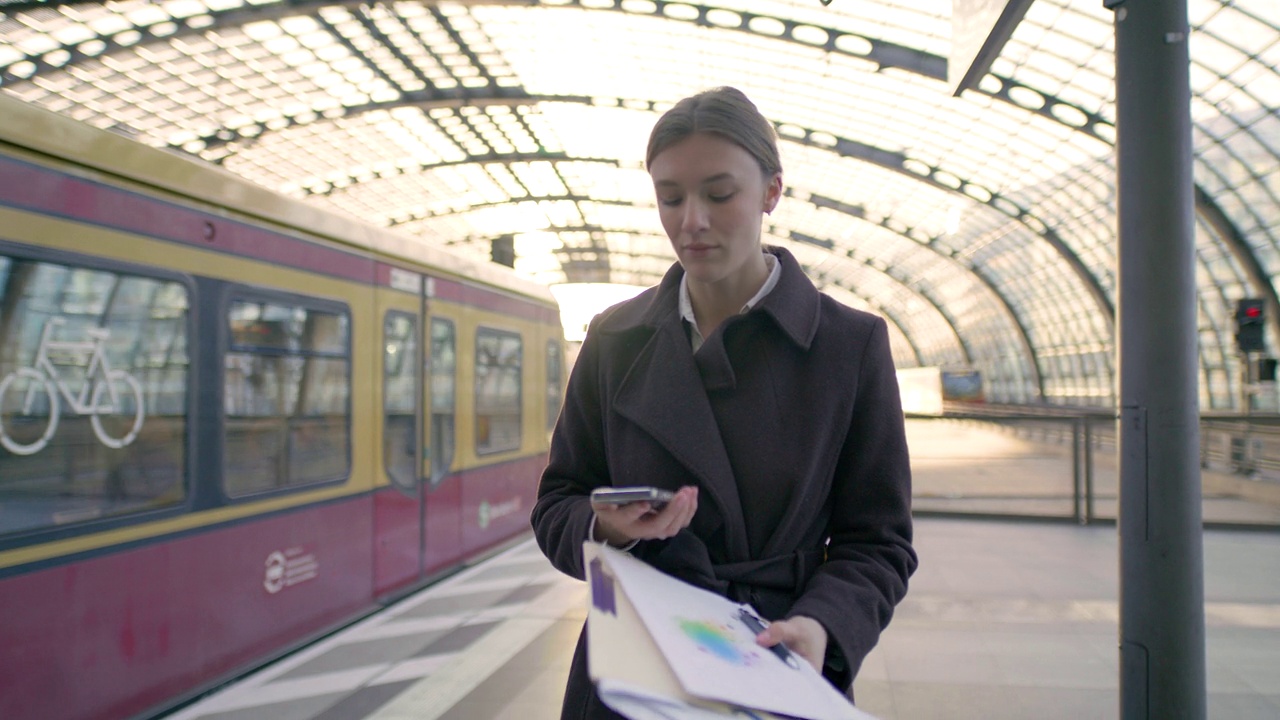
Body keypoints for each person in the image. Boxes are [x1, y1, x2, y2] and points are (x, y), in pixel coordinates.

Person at [531, 86, 917, 719]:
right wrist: (607, 529)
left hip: (775, 658)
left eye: (719, 194)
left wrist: (823, 626)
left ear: (771, 192)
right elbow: (558, 502)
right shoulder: (613, 338)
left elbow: (878, 542)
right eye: (670, 197)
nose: (692, 222)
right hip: (633, 669)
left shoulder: (850, 345)